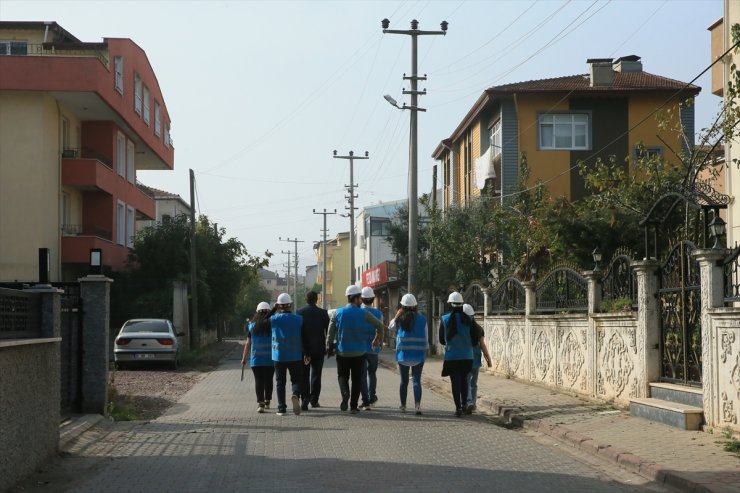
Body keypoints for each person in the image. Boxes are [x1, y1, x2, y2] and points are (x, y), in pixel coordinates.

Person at [326, 285, 384, 414]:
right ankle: (353, 406)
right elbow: (380, 325)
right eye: (360, 298)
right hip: (359, 353)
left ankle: (345, 393)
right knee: (357, 379)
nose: (361, 301)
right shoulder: (364, 313)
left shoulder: (338, 312)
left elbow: (330, 331)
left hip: (342, 352)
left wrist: (329, 345)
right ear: (357, 298)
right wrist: (376, 339)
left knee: (342, 376)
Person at [439, 291, 483, 417]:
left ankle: (458, 407)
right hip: (467, 357)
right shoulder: (469, 319)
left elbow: (442, 340)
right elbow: (475, 339)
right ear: (461, 304)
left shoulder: (444, 319)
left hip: (452, 357)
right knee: (464, 381)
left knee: (455, 383)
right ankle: (465, 405)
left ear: (450, 305)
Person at [271, 293, 310, 416]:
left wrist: (273, 308)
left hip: (279, 356)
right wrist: (307, 353)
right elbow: (304, 337)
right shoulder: (299, 319)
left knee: (280, 382)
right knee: (296, 380)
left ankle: (281, 408)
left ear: (279, 306)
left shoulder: (274, 319)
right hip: (295, 356)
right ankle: (295, 394)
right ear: (290, 305)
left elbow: (263, 320)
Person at [390, 293, 428, 415]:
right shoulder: (422, 320)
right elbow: (426, 339)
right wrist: (425, 351)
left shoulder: (399, 320)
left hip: (403, 356)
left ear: (402, 306)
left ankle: (403, 406)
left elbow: (390, 327)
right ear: (415, 306)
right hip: (418, 355)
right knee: (416, 380)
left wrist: (397, 315)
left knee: (404, 381)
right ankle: (417, 406)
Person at [296, 291, 330, 410]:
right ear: (317, 300)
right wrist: (329, 346)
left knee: (303, 375)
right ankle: (314, 400)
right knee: (316, 375)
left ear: (306, 299)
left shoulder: (299, 312)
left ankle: (304, 398)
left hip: (303, 350)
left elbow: (298, 333)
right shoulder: (323, 313)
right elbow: (328, 331)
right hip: (318, 350)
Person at [241, 302, 274, 413]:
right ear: (268, 312)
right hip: (271, 359)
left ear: (257, 312)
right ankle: (267, 400)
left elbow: (248, 344)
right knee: (269, 380)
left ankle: (261, 404)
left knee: (259, 381)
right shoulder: (272, 325)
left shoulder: (252, 326)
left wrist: (244, 358)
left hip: (256, 360)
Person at [463, 304, 492, 414]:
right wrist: (488, 358)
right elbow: (483, 345)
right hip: (476, 359)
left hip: (466, 358)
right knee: (473, 383)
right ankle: (473, 403)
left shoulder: (463, 329)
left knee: (465, 381)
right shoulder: (479, 328)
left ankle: (469, 402)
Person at [360, 286, 383, 410]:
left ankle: (365, 400)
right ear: (373, 298)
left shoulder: (359, 312)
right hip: (374, 348)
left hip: (361, 348)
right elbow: (381, 329)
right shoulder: (378, 313)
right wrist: (380, 342)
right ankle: (372, 396)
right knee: (372, 373)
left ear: (362, 299)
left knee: (362, 374)